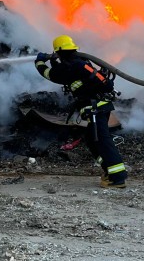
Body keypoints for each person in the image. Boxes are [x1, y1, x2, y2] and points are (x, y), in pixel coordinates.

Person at [34, 35, 128, 188]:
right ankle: (109, 170)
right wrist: (52, 61)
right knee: (92, 140)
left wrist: (39, 62)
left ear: (59, 51)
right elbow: (63, 72)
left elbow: (51, 75)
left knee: (102, 141)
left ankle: (117, 178)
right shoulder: (78, 64)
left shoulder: (73, 66)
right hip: (99, 107)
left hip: (96, 108)